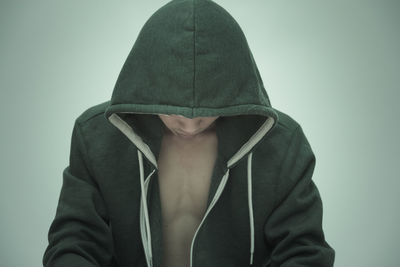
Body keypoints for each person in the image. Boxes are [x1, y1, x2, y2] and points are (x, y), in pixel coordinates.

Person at [43, 0, 335, 266]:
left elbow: (304, 251)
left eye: (208, 111)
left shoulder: (283, 145)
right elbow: (74, 241)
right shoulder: (95, 137)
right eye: (172, 110)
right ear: (145, 88)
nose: (190, 124)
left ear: (233, 92)